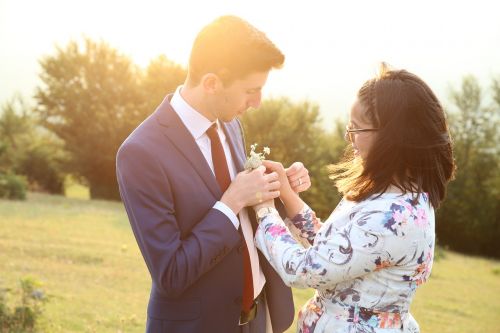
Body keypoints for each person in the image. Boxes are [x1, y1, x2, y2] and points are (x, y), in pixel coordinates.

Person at [116, 15, 311, 333]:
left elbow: (245, 222)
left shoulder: (231, 124)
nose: (258, 103)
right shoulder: (140, 153)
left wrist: (279, 187)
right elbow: (171, 274)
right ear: (211, 83)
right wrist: (229, 203)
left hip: (257, 320)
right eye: (251, 90)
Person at [252, 64, 455, 333]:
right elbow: (337, 249)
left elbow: (305, 269)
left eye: (356, 130)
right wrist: (288, 196)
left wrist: (264, 210)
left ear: (392, 137)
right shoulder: (391, 195)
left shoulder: (393, 217)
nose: (350, 139)